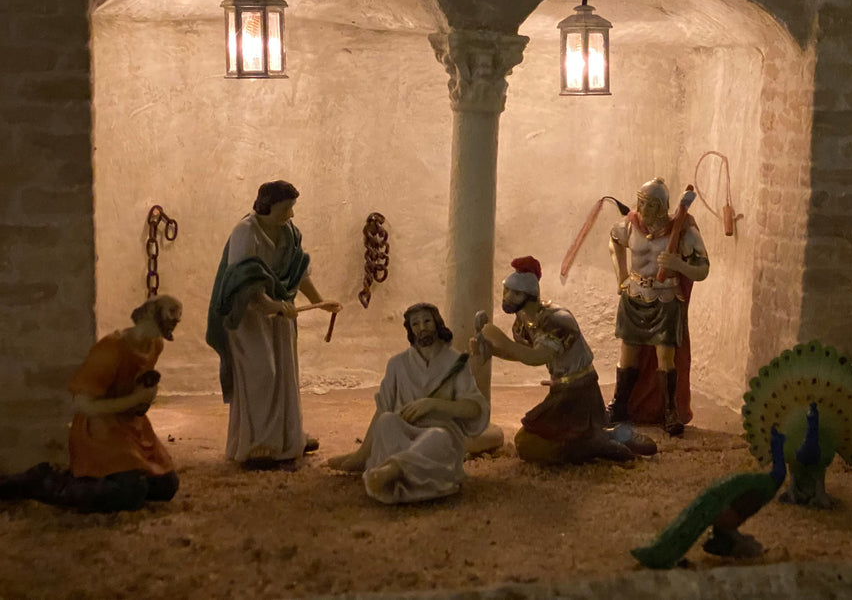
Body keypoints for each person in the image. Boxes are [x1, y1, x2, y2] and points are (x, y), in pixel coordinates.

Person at [0, 296, 183, 512]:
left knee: (166, 485)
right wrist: (135, 399)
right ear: (152, 312)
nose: (177, 319)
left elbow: (134, 387)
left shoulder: (154, 345)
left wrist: (143, 396)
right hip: (100, 429)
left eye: (178, 313)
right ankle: (46, 482)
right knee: (128, 493)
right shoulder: (112, 348)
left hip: (131, 427)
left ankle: (122, 480)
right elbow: (84, 405)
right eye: (172, 311)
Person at [206, 180, 341, 469]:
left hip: (280, 314)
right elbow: (242, 279)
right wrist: (271, 305)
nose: (291, 214)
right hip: (247, 315)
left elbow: (298, 273)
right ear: (267, 206)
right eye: (285, 208)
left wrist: (320, 301)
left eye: (292, 208)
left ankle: (288, 437)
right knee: (261, 372)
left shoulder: (289, 232)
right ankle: (257, 443)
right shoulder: (246, 232)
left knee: (285, 373)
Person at [475, 256, 656, 464]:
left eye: (515, 293)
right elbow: (523, 353)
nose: (507, 297)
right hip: (560, 390)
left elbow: (536, 357)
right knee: (529, 442)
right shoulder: (524, 321)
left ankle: (597, 443)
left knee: (529, 444)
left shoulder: (557, 320)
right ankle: (600, 439)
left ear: (530, 295)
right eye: (507, 290)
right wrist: (493, 350)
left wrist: (500, 339)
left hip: (579, 390)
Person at [326, 303, 488, 503]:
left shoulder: (455, 362)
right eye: (415, 324)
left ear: (437, 323)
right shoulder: (397, 364)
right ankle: (388, 469)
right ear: (410, 330)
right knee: (386, 421)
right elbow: (382, 409)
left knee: (437, 438)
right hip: (405, 428)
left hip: (440, 432)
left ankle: (392, 470)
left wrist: (433, 405)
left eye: (427, 321)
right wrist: (361, 454)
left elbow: (474, 408)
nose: (422, 328)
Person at [607, 178, 709, 436]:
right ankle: (620, 405)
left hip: (665, 299)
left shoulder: (682, 231)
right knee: (628, 354)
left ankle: (669, 410)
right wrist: (621, 277)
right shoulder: (630, 225)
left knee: (665, 357)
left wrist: (678, 265)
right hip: (634, 296)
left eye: (650, 204)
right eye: (641, 202)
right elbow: (614, 242)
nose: (643, 209)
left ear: (663, 206)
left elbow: (702, 269)